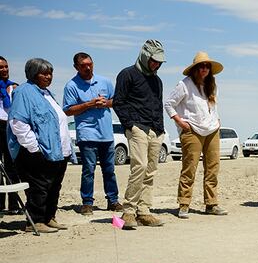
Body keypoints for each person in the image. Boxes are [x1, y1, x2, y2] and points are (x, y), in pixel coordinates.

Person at [7, 58, 72, 233]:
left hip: (57, 151)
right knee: (39, 187)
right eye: (44, 73)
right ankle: (35, 221)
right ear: (33, 74)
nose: (48, 77)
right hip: (36, 152)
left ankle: (49, 217)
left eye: (50, 73)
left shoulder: (47, 93)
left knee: (53, 186)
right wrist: (34, 148)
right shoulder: (24, 92)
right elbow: (18, 123)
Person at [164, 51, 228, 219]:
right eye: (201, 66)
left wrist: (218, 119)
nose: (204, 69)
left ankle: (211, 204)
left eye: (207, 66)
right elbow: (169, 104)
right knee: (189, 167)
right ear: (195, 68)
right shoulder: (184, 84)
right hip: (192, 130)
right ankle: (184, 204)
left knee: (213, 168)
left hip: (212, 130)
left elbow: (213, 106)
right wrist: (179, 122)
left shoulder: (212, 85)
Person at [113, 39, 167, 229]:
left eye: (160, 62)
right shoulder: (127, 74)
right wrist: (130, 125)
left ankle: (144, 211)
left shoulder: (157, 80)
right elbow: (118, 102)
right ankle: (128, 211)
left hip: (155, 130)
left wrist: (160, 129)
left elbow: (157, 104)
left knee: (151, 170)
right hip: (137, 128)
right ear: (145, 56)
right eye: (154, 60)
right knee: (139, 166)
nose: (157, 64)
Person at [63, 52, 122, 216]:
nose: (88, 67)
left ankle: (113, 200)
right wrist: (89, 104)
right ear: (76, 67)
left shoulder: (104, 81)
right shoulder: (71, 86)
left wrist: (106, 103)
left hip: (106, 134)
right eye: (83, 65)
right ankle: (87, 202)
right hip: (87, 134)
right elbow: (68, 110)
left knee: (109, 169)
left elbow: (117, 101)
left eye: (90, 64)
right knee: (88, 169)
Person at [0, 56, 21, 215]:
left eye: (6, 66)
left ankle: (14, 205)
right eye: (1, 67)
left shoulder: (15, 87)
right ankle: (0, 206)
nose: (5, 70)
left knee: (12, 167)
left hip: (10, 127)